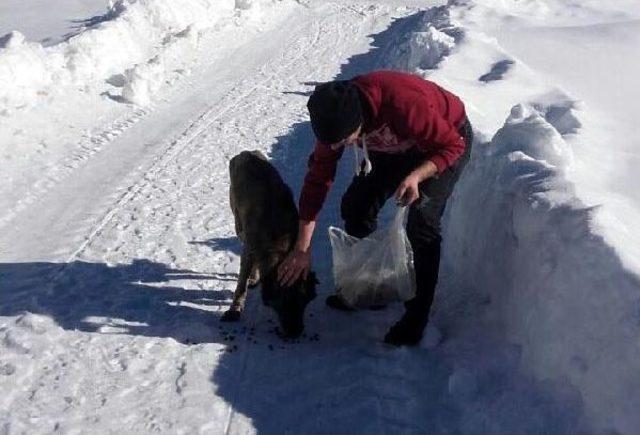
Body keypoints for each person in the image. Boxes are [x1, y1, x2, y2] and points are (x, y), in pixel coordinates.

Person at [277, 70, 473, 346]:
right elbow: (318, 180)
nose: (338, 148)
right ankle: (369, 289)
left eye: (344, 142)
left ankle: (416, 318)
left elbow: (454, 145)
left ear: (359, 123)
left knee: (422, 221)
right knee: (357, 205)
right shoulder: (334, 119)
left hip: (445, 141)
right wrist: (302, 247)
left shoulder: (402, 104)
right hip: (396, 147)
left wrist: (416, 176)